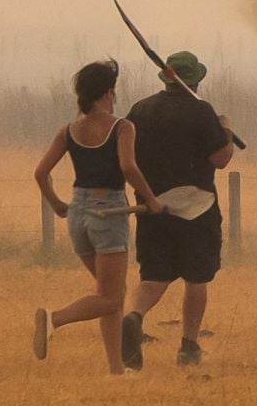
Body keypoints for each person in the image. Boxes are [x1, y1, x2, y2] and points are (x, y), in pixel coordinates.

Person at [31, 60, 163, 373]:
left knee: (110, 295)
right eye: (113, 91)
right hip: (109, 213)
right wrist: (152, 200)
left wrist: (57, 205)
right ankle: (54, 319)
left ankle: (116, 370)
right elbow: (128, 167)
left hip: (78, 213)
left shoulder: (68, 131)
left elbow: (40, 173)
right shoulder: (122, 127)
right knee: (111, 297)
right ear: (107, 92)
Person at [119, 51, 234, 370]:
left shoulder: (140, 110)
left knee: (154, 275)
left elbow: (126, 155)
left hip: (152, 205)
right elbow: (220, 159)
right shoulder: (201, 111)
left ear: (166, 79)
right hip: (197, 207)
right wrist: (226, 129)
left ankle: (133, 317)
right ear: (195, 79)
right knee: (197, 277)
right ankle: (189, 345)